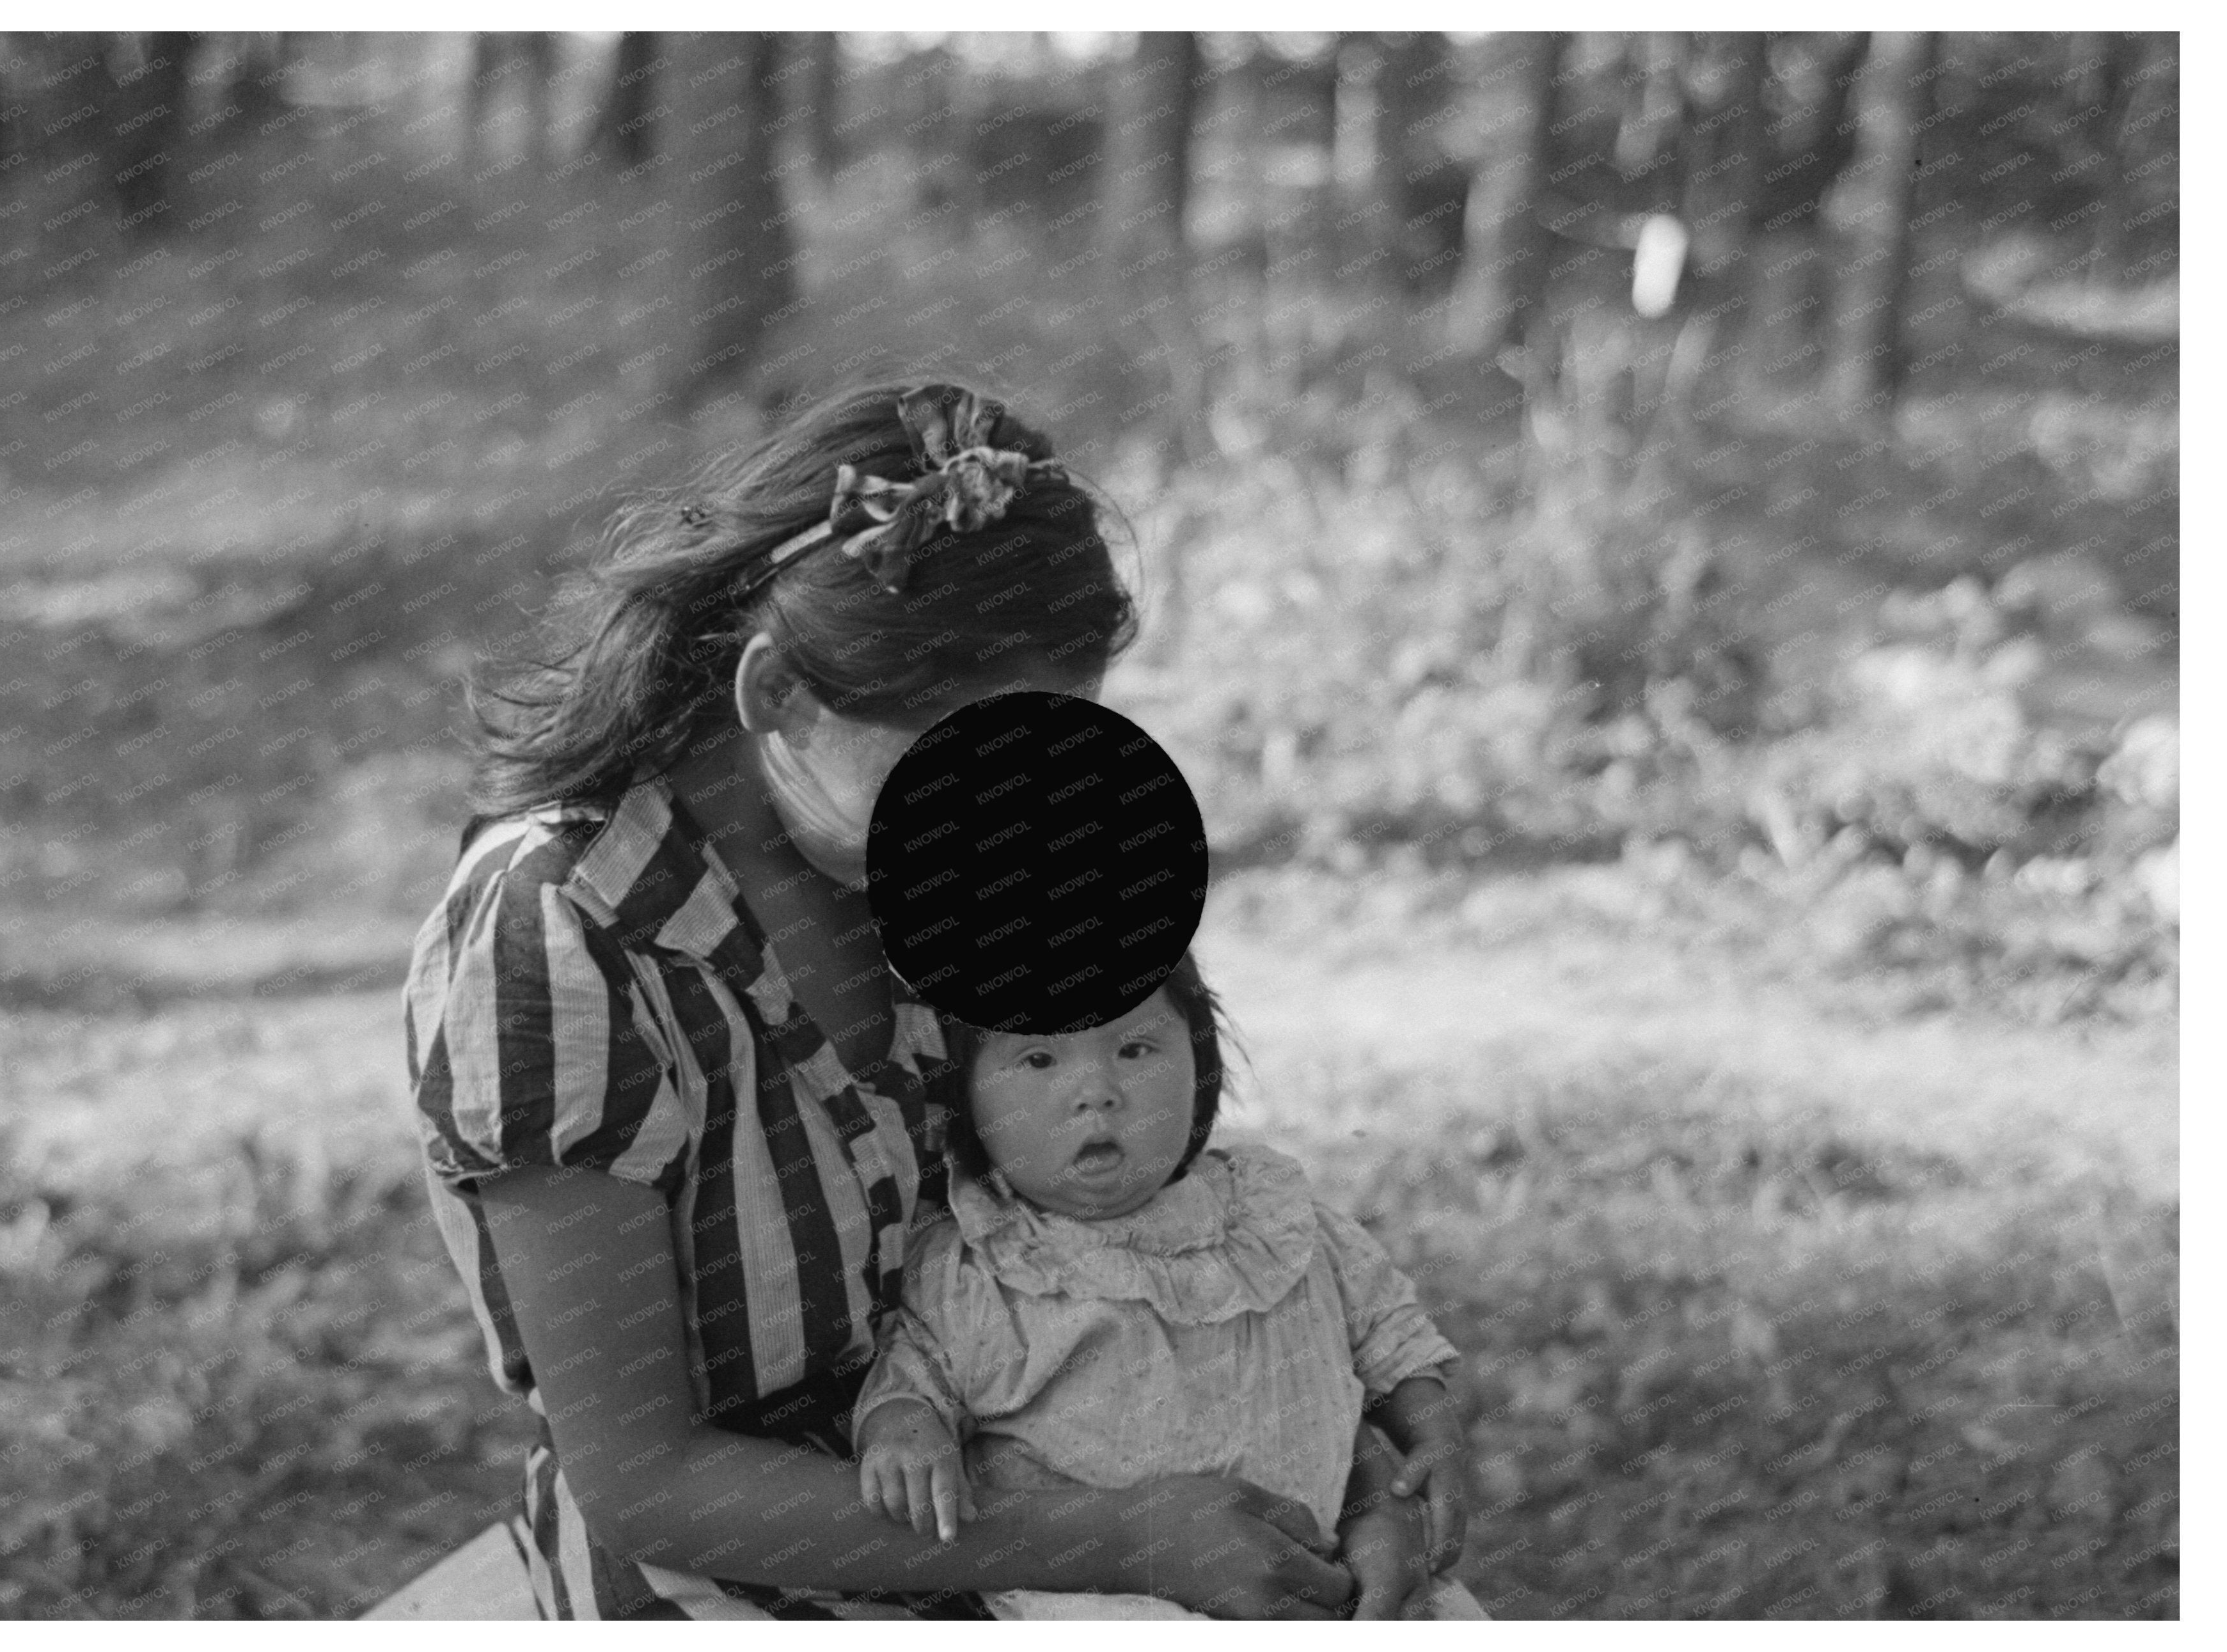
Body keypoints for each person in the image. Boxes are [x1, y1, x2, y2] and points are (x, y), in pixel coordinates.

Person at [403, 381, 1434, 1618]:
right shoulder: (564, 935)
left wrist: (1347, 1466)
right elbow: (643, 1480)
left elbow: (1137, 1211)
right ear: (778, 692)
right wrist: (1121, 1542)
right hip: (741, 1572)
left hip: (1062, 1471)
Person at [853, 952, 1486, 1621]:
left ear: (1198, 1064)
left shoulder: (1275, 1218)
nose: (1095, 1089)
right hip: (1105, 1594)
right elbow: (912, 1375)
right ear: (966, 1097)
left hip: (1324, 1564)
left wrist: (1429, 1428)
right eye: (1038, 1061)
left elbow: (1391, 1336)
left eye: (1133, 1048)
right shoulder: (977, 1264)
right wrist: (904, 1432)